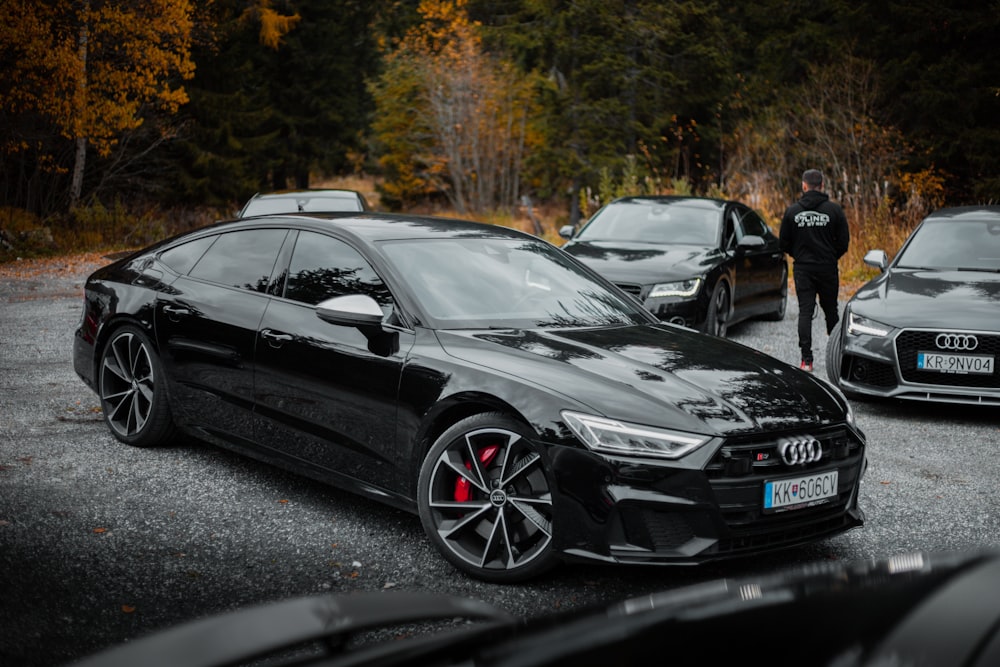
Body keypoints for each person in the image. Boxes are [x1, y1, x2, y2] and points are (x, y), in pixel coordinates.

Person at [779, 169, 849, 372]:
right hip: (827, 268)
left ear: (804, 185)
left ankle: (806, 360)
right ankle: (838, 357)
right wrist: (829, 257)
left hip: (803, 269)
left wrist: (799, 256)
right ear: (822, 186)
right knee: (831, 311)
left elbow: (783, 243)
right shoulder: (834, 211)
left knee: (805, 312)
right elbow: (844, 243)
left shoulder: (792, 212)